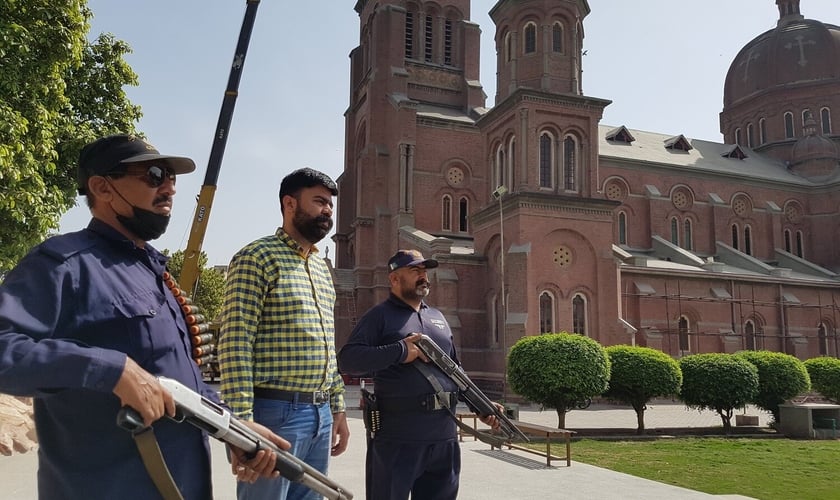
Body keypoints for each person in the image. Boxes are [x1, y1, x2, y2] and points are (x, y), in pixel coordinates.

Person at [0, 134, 287, 499]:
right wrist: (110, 368)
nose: (169, 188)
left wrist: (233, 429)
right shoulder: (63, 264)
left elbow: (180, 382)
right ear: (102, 188)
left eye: (171, 178)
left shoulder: (157, 274)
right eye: (153, 175)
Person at [218, 167, 350, 500]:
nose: (327, 212)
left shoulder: (321, 268)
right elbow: (235, 344)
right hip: (274, 414)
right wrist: (241, 423)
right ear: (289, 204)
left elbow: (326, 345)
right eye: (319, 202)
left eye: (331, 206)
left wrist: (338, 408)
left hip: (319, 414)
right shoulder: (256, 258)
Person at [338, 249, 500, 500]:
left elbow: (455, 368)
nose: (423, 276)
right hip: (398, 437)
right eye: (415, 271)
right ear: (394, 279)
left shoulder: (438, 317)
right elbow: (348, 360)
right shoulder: (379, 317)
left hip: (444, 437)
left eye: (424, 271)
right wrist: (400, 350)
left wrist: (481, 405)